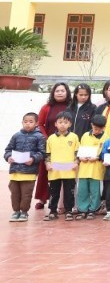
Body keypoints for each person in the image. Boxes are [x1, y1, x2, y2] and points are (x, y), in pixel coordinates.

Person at [34, 82, 72, 210]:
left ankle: (63, 202)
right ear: (53, 93)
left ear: (67, 92)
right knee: (46, 170)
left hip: (67, 143)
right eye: (57, 91)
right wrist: (46, 138)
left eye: (62, 90)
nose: (60, 93)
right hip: (49, 142)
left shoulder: (71, 107)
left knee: (65, 171)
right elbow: (40, 124)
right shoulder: (46, 107)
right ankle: (43, 198)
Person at [5, 112, 45, 222]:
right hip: (15, 171)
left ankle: (24, 212)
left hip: (29, 172)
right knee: (15, 193)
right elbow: (8, 150)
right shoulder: (16, 135)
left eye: (31, 122)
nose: (28, 124)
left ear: (36, 123)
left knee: (26, 194)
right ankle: (16, 211)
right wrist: (8, 157)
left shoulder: (39, 137)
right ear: (22, 122)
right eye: (25, 121)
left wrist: (33, 159)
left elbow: (42, 153)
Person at [43, 111, 79, 221]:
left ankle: (69, 211)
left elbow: (77, 152)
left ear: (70, 124)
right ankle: (53, 211)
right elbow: (47, 154)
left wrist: (76, 162)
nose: (63, 124)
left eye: (65, 122)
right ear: (56, 124)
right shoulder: (51, 138)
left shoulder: (74, 137)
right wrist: (48, 163)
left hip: (69, 170)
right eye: (60, 122)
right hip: (54, 170)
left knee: (69, 192)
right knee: (54, 192)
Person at [75, 115, 107, 220]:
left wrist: (98, 157)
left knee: (95, 191)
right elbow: (80, 149)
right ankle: (82, 210)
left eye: (99, 129)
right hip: (84, 168)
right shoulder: (85, 135)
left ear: (104, 128)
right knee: (82, 190)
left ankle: (93, 210)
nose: (96, 131)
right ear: (91, 125)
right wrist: (80, 157)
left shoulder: (106, 137)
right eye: (95, 128)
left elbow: (106, 152)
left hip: (97, 169)